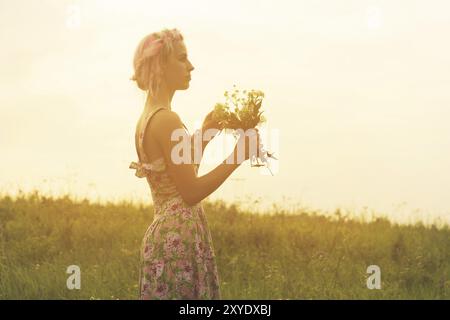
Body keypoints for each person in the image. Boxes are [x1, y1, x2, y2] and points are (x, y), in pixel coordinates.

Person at [129, 28, 260, 299]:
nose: (191, 66)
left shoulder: (149, 118)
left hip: (167, 236)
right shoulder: (167, 120)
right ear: (162, 66)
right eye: (182, 58)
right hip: (178, 240)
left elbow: (178, 179)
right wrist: (238, 155)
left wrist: (206, 133)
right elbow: (190, 192)